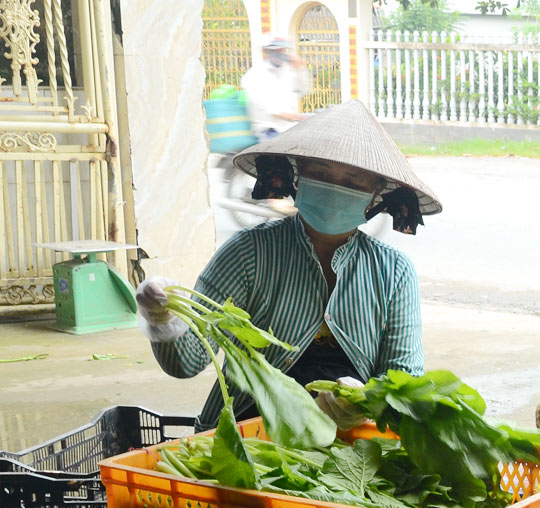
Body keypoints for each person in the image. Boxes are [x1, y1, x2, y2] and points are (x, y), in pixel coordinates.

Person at [135, 100, 441, 432]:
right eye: (321, 173)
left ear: (377, 195)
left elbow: (404, 376)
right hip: (248, 436)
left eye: (353, 182)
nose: (335, 188)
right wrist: (164, 320)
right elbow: (188, 361)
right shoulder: (248, 252)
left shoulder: (394, 272)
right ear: (298, 175)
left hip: (353, 438)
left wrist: (365, 400)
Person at [241, 34, 311, 139]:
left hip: (289, 127)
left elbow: (302, 90)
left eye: (282, 51)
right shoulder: (255, 75)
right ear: (267, 52)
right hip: (268, 130)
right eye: (276, 51)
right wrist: (299, 117)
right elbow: (272, 109)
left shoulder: (287, 71)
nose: (280, 54)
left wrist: (299, 69)